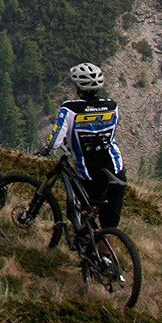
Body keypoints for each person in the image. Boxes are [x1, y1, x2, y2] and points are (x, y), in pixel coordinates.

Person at [40, 61, 128, 229]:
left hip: (88, 175)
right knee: (110, 224)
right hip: (116, 170)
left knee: (78, 212)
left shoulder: (69, 109)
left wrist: (48, 148)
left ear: (77, 87)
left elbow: (55, 141)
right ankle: (105, 255)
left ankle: (88, 246)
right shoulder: (112, 106)